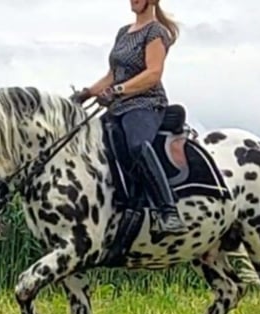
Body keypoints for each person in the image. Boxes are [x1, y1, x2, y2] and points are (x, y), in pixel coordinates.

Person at [72, 0, 187, 233]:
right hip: (117, 107)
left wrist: (118, 90)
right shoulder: (123, 33)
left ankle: (168, 211)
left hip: (146, 104)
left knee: (137, 145)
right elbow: (113, 74)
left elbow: (153, 74)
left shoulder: (156, 32)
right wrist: (85, 94)